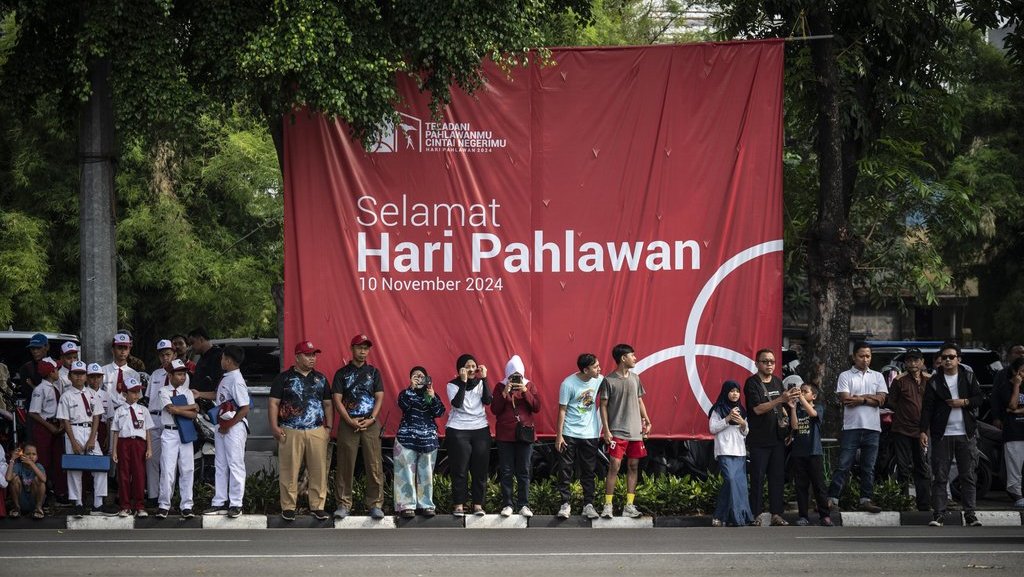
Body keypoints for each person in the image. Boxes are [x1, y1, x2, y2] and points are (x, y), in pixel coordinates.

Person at [920, 342, 984, 527]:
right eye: (944, 357)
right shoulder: (934, 381)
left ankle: (970, 515)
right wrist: (923, 431)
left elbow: (979, 398)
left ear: (959, 359)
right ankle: (939, 514)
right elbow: (927, 409)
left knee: (968, 475)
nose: (947, 360)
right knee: (940, 476)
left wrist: (963, 402)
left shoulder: (968, 376)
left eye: (951, 357)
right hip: (942, 434)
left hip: (966, 433)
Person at [269, 340, 332, 521]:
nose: (312, 359)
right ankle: (288, 507)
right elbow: (273, 403)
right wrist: (274, 426)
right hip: (290, 430)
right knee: (289, 470)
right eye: (308, 355)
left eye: (314, 355)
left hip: (316, 430)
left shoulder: (321, 379)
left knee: (318, 471)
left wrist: (328, 427)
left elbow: (327, 404)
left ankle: (317, 506)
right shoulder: (284, 378)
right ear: (297, 356)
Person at [827, 342, 887, 514]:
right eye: (861, 356)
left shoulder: (877, 376)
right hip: (852, 427)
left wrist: (860, 399)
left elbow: (882, 400)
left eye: (868, 356)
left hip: (873, 428)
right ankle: (832, 499)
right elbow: (846, 400)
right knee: (843, 465)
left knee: (868, 467)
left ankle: (866, 499)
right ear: (854, 357)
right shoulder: (846, 376)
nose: (865, 359)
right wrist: (871, 398)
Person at [331, 334, 385, 520]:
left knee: (374, 464)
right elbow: (337, 400)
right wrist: (348, 419)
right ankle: (343, 504)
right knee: (345, 464)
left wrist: (372, 418)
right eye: (359, 347)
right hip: (349, 423)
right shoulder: (342, 373)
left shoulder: (374, 373)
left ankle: (375, 504)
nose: (363, 351)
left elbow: (379, 397)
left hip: (370, 423)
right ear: (352, 349)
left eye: (366, 348)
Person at [744, 348, 799, 526]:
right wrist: (779, 400)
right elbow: (758, 409)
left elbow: (781, 407)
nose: (769, 365)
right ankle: (756, 514)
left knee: (777, 477)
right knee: (758, 478)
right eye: (765, 361)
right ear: (757, 363)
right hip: (759, 439)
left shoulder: (777, 381)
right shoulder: (752, 383)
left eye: (772, 362)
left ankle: (777, 514)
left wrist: (789, 410)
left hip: (777, 438)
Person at [196, 344, 249, 518]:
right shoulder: (226, 377)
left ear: (229, 360)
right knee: (220, 464)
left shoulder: (236, 380)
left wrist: (229, 424)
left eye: (223, 358)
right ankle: (219, 501)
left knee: (235, 464)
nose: (221, 361)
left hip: (233, 427)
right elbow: (217, 396)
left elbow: (244, 407)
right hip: (222, 424)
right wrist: (199, 394)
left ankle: (236, 503)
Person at [599, 343, 651, 519]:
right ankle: (608, 505)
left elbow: (639, 400)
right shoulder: (608, 380)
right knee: (614, 466)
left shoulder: (635, 378)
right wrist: (606, 430)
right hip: (617, 431)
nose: (635, 358)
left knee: (633, 466)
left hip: (636, 432)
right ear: (623, 358)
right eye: (632, 355)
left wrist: (647, 420)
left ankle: (629, 505)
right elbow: (603, 406)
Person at [57, 360, 109, 517]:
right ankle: (78, 503)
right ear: (70, 376)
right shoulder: (66, 396)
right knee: (74, 468)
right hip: (74, 430)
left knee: (100, 466)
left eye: (82, 374)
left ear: (86, 376)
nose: (79, 377)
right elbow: (64, 420)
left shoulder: (92, 394)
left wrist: (93, 438)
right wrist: (73, 441)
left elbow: (96, 417)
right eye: (76, 374)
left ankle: (98, 504)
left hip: (90, 431)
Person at [555, 353, 603, 520]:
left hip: (590, 433)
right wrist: (559, 436)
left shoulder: (599, 380)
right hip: (569, 433)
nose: (599, 369)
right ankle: (565, 504)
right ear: (585, 369)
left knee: (589, 471)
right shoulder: (568, 384)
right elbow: (562, 410)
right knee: (565, 469)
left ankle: (588, 505)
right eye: (596, 367)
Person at [491, 355, 540, 518]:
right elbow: (495, 410)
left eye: (517, 375)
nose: (515, 378)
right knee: (506, 471)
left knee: (524, 470)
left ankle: (523, 504)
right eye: (512, 375)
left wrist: (525, 391)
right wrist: (505, 392)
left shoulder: (529, 385)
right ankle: (507, 504)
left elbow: (536, 407)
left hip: (524, 434)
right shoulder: (500, 386)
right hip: (505, 435)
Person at [393, 366, 445, 518]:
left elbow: (439, 412)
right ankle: (406, 505)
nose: (419, 379)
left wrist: (432, 395)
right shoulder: (405, 393)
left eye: (422, 376)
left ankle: (426, 505)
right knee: (405, 473)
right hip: (406, 438)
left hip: (428, 440)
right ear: (410, 379)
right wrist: (411, 389)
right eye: (415, 376)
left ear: (427, 379)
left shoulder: (430, 394)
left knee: (426, 474)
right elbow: (403, 405)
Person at [446, 353, 492, 517]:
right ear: (460, 370)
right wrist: (464, 381)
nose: (471, 370)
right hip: (458, 430)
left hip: (480, 429)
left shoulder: (481, 383)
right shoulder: (452, 385)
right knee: (460, 468)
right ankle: (459, 504)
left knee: (480, 469)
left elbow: (488, 400)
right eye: (467, 367)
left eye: (473, 366)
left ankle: (478, 504)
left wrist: (485, 379)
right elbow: (457, 404)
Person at [885, 347, 932, 511]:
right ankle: (903, 503)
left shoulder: (930, 379)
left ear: (922, 362)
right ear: (905, 363)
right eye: (909, 360)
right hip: (902, 429)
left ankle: (924, 504)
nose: (913, 363)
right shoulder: (899, 380)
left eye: (916, 360)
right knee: (903, 467)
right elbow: (891, 402)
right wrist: (905, 411)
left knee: (922, 467)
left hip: (923, 430)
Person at [785, 376, 832, 526]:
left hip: (814, 452)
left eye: (805, 391)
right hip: (799, 453)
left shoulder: (818, 408)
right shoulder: (798, 409)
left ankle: (825, 515)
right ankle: (803, 516)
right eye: (801, 391)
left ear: (814, 396)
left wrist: (801, 399)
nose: (802, 393)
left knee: (819, 485)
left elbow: (812, 414)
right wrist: (792, 409)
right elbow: (794, 427)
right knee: (801, 486)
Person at [156, 359, 199, 519]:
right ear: (170, 375)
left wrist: (179, 409)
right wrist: (190, 407)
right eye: (179, 374)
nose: (182, 377)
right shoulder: (163, 391)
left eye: (184, 374)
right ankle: (164, 504)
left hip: (185, 431)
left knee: (187, 469)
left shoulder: (187, 392)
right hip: (169, 433)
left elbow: (194, 415)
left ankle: (187, 505)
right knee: (168, 469)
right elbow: (170, 409)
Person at [708, 380, 753, 527]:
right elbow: (713, 428)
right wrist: (727, 418)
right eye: (732, 391)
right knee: (730, 480)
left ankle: (736, 516)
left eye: (737, 391)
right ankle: (722, 515)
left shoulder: (742, 410)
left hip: (739, 451)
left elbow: (745, 432)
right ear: (725, 392)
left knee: (739, 485)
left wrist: (742, 422)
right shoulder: (718, 409)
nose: (735, 394)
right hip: (724, 450)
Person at [111, 377, 153, 516]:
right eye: (133, 392)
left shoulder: (143, 410)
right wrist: (114, 451)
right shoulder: (119, 411)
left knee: (139, 475)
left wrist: (149, 448)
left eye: (138, 392)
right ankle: (125, 506)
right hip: (124, 443)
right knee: (123, 475)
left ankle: (139, 506)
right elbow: (116, 432)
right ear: (124, 394)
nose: (137, 395)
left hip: (139, 444)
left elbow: (147, 430)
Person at [144, 339, 177, 507]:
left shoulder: (180, 375)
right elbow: (149, 397)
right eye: (162, 355)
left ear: (174, 354)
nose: (165, 358)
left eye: (168, 354)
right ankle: (153, 494)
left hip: (170, 419)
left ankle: (167, 497)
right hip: (154, 418)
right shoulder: (155, 375)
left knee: (168, 461)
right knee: (152, 459)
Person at [28, 357, 65, 502]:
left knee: (58, 459)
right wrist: (50, 426)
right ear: (51, 372)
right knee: (43, 460)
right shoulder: (40, 389)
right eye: (56, 369)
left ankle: (59, 491)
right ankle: (43, 493)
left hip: (56, 426)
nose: (58, 372)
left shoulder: (55, 387)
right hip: (45, 427)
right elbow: (33, 412)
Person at [993, 356, 1024, 508]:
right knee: (1015, 465)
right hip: (1014, 432)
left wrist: (1018, 410)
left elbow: (1013, 409)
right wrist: (1017, 386)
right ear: (1014, 371)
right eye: (1022, 371)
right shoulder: (1006, 386)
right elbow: (1011, 406)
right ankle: (1017, 494)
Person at [102, 333, 141, 416]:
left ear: (129, 350)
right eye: (119, 348)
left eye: (126, 348)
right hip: (107, 413)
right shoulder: (103, 371)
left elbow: (137, 397)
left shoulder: (134, 374)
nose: (123, 351)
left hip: (127, 414)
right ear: (113, 350)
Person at [5, 444, 47, 519]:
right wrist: (12, 459)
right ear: (22, 455)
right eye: (28, 454)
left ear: (37, 457)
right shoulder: (18, 466)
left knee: (39, 480)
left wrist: (31, 463)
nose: (31, 456)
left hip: (34, 500)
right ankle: (17, 508)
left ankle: (38, 509)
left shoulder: (38, 466)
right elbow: (8, 478)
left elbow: (44, 480)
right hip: (21, 501)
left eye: (34, 454)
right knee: (14, 479)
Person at [187, 327, 223, 394]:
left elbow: (217, 386)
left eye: (192, 343)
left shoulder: (218, 356)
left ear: (201, 339)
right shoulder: (202, 357)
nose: (191, 347)